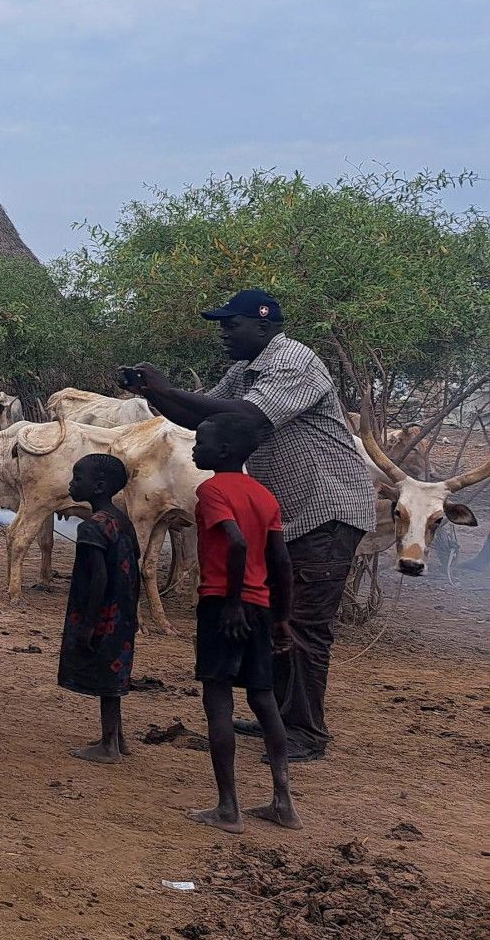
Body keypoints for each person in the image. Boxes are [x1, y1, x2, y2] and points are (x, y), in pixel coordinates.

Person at [127, 289, 374, 761]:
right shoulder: (245, 370)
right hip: (288, 510)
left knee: (304, 623)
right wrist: (152, 392)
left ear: (262, 326)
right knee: (281, 611)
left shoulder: (293, 362)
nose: (223, 333)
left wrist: (163, 388)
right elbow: (203, 415)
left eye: (230, 325)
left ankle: (305, 731)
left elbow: (248, 417)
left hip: (326, 506)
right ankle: (281, 717)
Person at [187, 411, 302, 832]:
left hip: (223, 602)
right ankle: (282, 801)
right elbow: (281, 562)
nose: (195, 448)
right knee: (263, 698)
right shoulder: (264, 495)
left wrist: (232, 602)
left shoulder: (212, 489)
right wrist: (282, 618)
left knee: (218, 699)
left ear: (224, 450)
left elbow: (234, 542)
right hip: (261, 604)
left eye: (200, 442)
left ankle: (228, 807)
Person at [57, 454, 142, 764]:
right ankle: (118, 737)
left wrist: (89, 623)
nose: (72, 483)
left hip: (102, 614)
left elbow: (98, 577)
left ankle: (108, 745)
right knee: (114, 672)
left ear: (99, 486)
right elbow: (135, 559)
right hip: (124, 613)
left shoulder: (92, 527)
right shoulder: (122, 519)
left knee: (106, 678)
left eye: (78, 478)